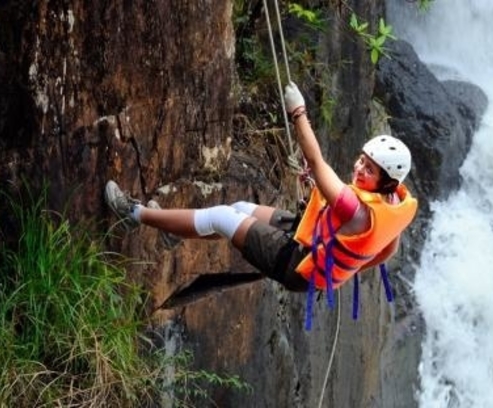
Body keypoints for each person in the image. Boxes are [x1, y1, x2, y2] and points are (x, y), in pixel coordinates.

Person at [105, 81, 418, 299]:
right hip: (307, 240)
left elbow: (315, 159)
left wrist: (298, 113)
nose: (359, 169)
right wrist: (348, 264)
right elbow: (387, 249)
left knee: (221, 217)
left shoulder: (357, 209)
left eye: (369, 169)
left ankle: (135, 214)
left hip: (298, 266)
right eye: (362, 161)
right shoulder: (392, 204)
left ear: (386, 180)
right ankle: (176, 229)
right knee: (240, 208)